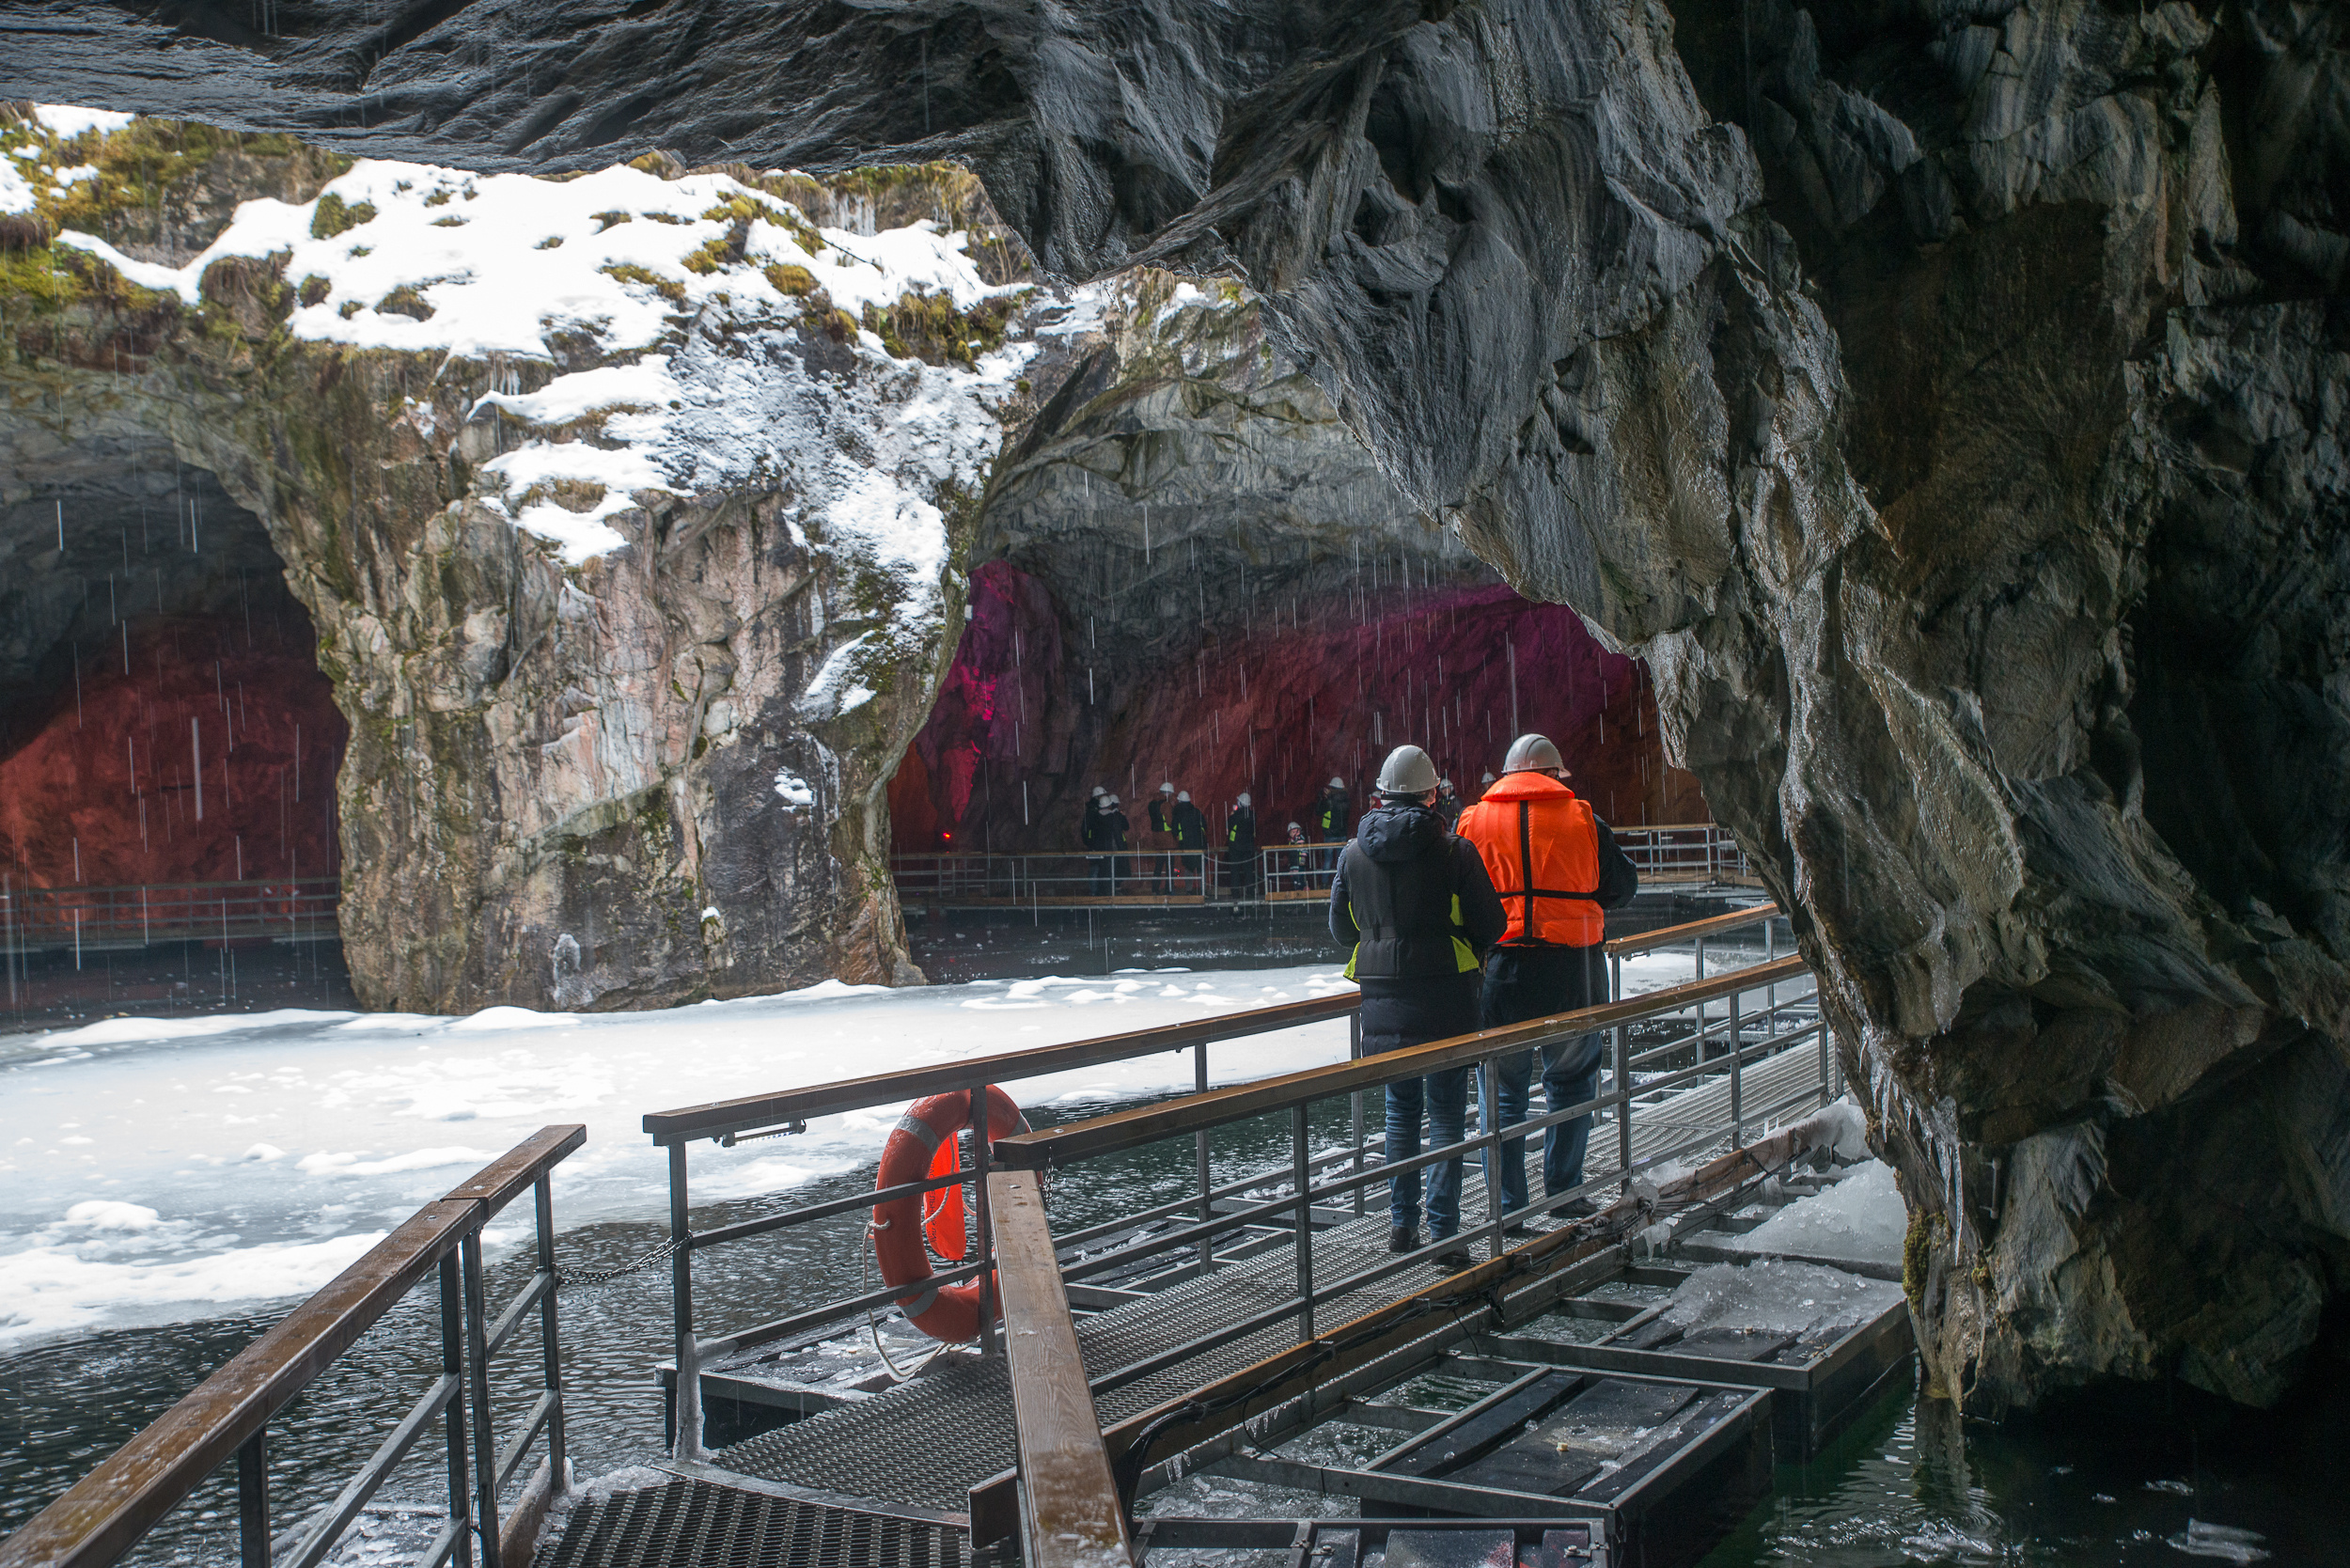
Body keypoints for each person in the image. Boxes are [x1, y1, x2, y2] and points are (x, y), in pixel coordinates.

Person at [1329, 744, 1507, 1266]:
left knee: (1400, 1115)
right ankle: (1445, 1235)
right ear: (1433, 795)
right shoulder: (1455, 852)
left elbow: (1342, 932)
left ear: (1381, 796)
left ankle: (1402, 1225)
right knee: (1447, 1115)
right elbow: (1492, 925)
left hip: (1383, 1004)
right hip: (1447, 1002)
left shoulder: (1352, 854)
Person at [1454, 734, 1638, 1229]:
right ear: (1554, 775)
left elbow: (1459, 899)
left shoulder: (1473, 821)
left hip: (1501, 968)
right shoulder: (1582, 818)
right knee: (1572, 1083)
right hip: (1572, 971)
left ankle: (1509, 1206)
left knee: (1503, 1092)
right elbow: (1622, 887)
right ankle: (1564, 1190)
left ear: (1508, 774)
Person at [1170, 789, 1209, 894]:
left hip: (1186, 845)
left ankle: (1189, 890)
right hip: (1200, 844)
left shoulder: (1178, 814)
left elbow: (1174, 830)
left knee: (1189, 867)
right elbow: (1204, 826)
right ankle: (1203, 890)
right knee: (1201, 867)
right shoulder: (1196, 812)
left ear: (1179, 801)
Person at [1145, 781, 1179, 892]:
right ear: (1168, 793)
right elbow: (1169, 822)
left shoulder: (1152, 804)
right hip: (1167, 839)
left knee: (1158, 865)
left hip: (1157, 838)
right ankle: (1169, 889)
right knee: (1170, 865)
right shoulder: (1166, 805)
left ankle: (1155, 888)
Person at [1313, 776, 1352, 873]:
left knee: (1328, 860)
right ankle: (1343, 882)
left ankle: (1325, 884)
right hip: (1342, 834)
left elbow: (1318, 811)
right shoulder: (1347, 801)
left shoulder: (1328, 801)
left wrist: (1321, 798)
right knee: (1341, 861)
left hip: (1329, 834)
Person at [1226, 792, 1260, 899]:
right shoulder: (1252, 815)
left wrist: (1233, 814)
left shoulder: (1236, 816)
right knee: (1249, 871)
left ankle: (1236, 894)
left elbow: (1229, 825)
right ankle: (1250, 893)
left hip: (1236, 847)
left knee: (1235, 872)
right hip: (1248, 847)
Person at [1081, 786, 1114, 894]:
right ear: (1098, 797)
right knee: (1096, 868)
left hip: (1096, 844)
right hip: (1095, 844)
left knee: (1098, 867)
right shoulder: (1092, 812)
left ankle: (1098, 891)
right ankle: (1095, 892)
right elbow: (1087, 830)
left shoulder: (1094, 811)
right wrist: (1091, 843)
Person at [1105, 793, 1133, 890]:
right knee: (1119, 865)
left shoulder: (1106, 816)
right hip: (1119, 845)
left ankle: (1112, 887)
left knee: (1111, 866)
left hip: (1109, 845)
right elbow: (1126, 827)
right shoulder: (1118, 816)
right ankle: (1116, 886)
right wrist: (1123, 816)